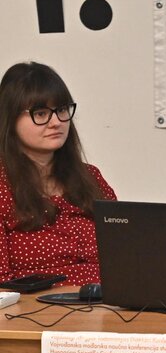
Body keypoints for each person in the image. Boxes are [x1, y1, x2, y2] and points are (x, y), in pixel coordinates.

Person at [0, 62, 116, 286]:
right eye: (41, 113)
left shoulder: (91, 177)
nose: (56, 122)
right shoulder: (3, 187)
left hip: (108, 300)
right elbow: (2, 286)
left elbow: (126, 253)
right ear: (10, 120)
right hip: (36, 305)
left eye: (62, 110)